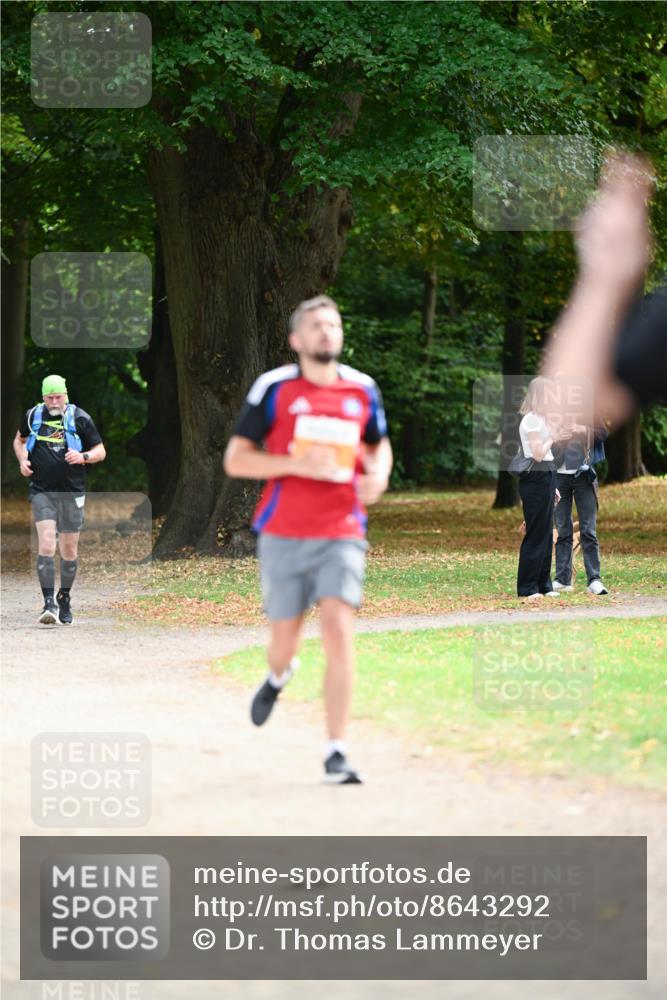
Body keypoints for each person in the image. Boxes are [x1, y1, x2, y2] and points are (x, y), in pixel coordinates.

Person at [224, 295, 392, 784]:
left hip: (342, 529)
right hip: (283, 532)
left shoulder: (362, 390)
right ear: (297, 340)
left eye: (333, 324)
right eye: (316, 325)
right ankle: (280, 674)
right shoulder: (274, 388)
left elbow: (378, 446)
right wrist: (294, 464)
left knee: (339, 630)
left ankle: (336, 751)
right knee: (283, 643)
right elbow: (236, 459)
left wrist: (376, 478)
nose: (326, 331)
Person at [13, 374, 106, 625]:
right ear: (43, 397)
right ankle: (48, 603)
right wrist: (22, 460)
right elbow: (19, 440)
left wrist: (83, 456)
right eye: (49, 397)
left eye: (58, 396)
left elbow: (101, 451)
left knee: (68, 549)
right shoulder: (33, 416)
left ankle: (64, 596)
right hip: (42, 490)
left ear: (66, 395)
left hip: (72, 491)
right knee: (45, 544)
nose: (54, 401)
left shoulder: (80, 418)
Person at [515, 377, 571, 600]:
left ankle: (544, 584)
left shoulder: (543, 420)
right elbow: (538, 453)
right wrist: (554, 438)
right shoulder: (530, 421)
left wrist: (554, 485)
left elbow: (547, 457)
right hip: (535, 477)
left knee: (547, 533)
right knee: (536, 532)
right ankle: (527, 587)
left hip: (547, 475)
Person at [553, 423, 609, 595]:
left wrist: (583, 429)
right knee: (563, 530)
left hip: (583, 475)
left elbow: (602, 433)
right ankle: (563, 579)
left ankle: (594, 580)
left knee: (588, 530)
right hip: (558, 475)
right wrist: (556, 435)